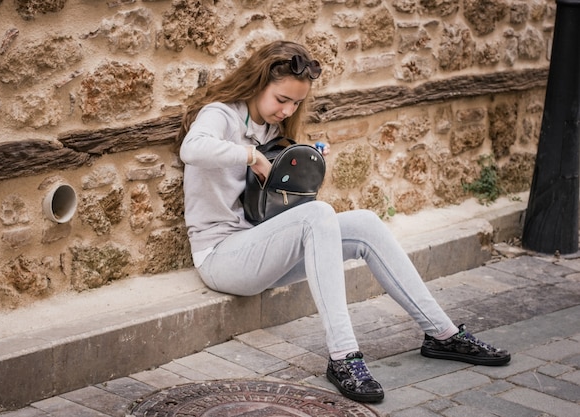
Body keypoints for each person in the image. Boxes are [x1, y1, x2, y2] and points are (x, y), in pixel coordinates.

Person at [175, 40, 511, 403]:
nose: (287, 110)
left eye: (296, 103)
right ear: (258, 84)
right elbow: (191, 149)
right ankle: (343, 356)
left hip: (258, 247)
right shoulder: (220, 114)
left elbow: (275, 205)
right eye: (281, 99)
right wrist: (252, 156)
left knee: (364, 222)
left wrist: (300, 162)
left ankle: (442, 334)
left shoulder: (273, 127)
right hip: (221, 257)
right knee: (319, 215)